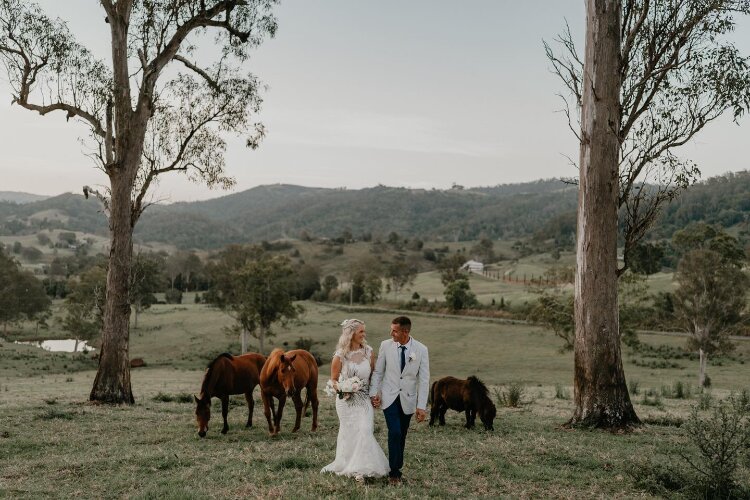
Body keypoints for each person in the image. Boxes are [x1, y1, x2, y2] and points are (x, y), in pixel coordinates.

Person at [321, 319, 389, 481]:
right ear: (351, 334)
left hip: (364, 399)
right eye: (361, 332)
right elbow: (333, 380)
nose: (364, 334)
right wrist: (344, 389)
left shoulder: (368, 352)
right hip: (346, 402)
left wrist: (376, 395)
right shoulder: (340, 356)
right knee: (349, 432)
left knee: (365, 429)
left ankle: (363, 468)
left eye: (364, 331)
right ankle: (350, 465)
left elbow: (374, 376)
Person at [369, 316, 430, 485]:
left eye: (394, 330)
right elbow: (379, 372)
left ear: (405, 331)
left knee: (401, 435)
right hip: (389, 397)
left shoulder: (421, 349)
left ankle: (397, 467)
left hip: (408, 399)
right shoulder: (385, 345)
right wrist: (374, 393)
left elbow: (424, 380)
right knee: (394, 432)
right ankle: (394, 472)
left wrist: (421, 406)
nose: (391, 333)